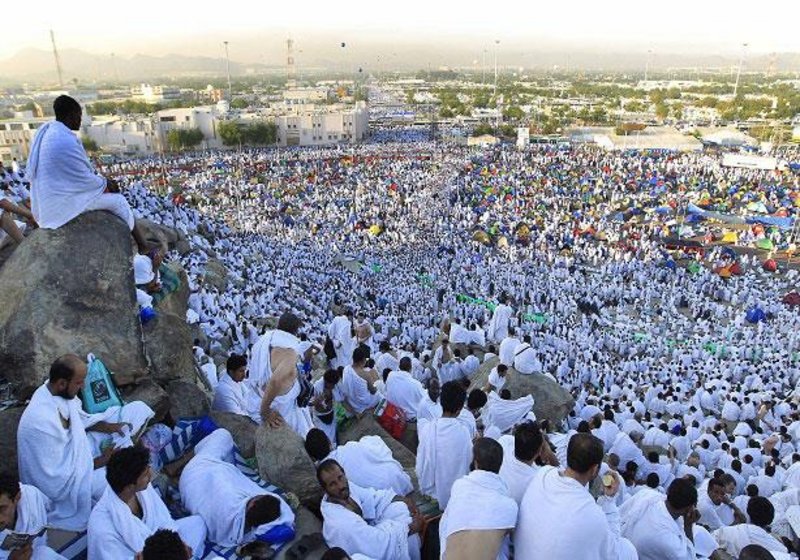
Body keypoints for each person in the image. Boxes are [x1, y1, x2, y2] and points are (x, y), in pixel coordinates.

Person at [16, 354, 154, 531]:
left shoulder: (57, 393)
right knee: (119, 480)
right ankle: (143, 524)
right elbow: (57, 479)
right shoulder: (39, 422)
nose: (82, 387)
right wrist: (103, 461)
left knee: (136, 410)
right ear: (62, 383)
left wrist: (108, 427)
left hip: (76, 453)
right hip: (64, 489)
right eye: (79, 383)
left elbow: (79, 421)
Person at [27, 95, 145, 248]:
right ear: (70, 115)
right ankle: (141, 245)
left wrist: (102, 182)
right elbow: (83, 179)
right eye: (79, 116)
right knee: (119, 201)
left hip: (48, 204)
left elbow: (77, 176)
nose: (80, 120)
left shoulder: (49, 132)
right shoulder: (63, 140)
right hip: (59, 207)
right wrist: (105, 183)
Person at [514, 433, 637, 560]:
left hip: (522, 553)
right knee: (627, 548)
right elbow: (612, 554)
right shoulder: (592, 515)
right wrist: (609, 500)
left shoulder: (544, 473)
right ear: (595, 469)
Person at [179, 429, 294, 547]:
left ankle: (178, 464)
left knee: (223, 435)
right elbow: (283, 525)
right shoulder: (240, 534)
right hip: (188, 492)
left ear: (253, 503)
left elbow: (281, 504)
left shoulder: (239, 497)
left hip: (196, 470)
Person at [87, 446, 206, 560]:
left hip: (161, 545)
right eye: (145, 475)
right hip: (138, 555)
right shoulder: (101, 528)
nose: (151, 475)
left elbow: (163, 519)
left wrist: (176, 544)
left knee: (198, 523)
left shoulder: (142, 489)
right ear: (129, 486)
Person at [317, 459, 422, 560]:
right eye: (332, 484)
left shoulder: (347, 488)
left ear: (344, 474)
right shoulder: (341, 524)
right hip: (366, 549)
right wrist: (410, 528)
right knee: (408, 536)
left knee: (399, 507)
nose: (340, 486)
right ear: (325, 489)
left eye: (340, 477)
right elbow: (376, 545)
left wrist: (402, 499)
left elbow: (372, 497)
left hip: (371, 531)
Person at [439, 438, 518, 560]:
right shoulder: (509, 506)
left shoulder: (459, 485)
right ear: (500, 465)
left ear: (475, 463)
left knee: (448, 517)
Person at [304, 428, 413, 496]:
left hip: (382, 494)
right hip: (394, 482)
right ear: (328, 441)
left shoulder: (325, 476)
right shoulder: (349, 447)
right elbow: (376, 444)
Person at [415, 381, 472, 509]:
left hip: (433, 494)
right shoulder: (464, 432)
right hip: (456, 495)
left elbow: (421, 465)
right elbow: (468, 463)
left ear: (441, 402)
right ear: (459, 410)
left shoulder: (429, 429)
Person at [256, 313, 314, 437]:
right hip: (280, 406)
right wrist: (265, 411)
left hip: (262, 394)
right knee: (302, 435)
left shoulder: (266, 338)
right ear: (296, 331)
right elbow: (275, 381)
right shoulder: (289, 352)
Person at [622, 478, 698, 560]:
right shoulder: (669, 541)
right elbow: (690, 557)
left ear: (668, 491)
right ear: (688, 509)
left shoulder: (647, 494)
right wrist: (688, 526)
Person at [0, 473, 66, 560]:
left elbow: (50, 507)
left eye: (1, 508)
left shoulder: (31, 496)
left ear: (17, 497)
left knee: (44, 554)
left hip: (38, 553)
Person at [713, 496, 788, 557]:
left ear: (748, 512)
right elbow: (784, 553)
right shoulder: (777, 546)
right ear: (770, 519)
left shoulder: (726, 532)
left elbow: (711, 540)